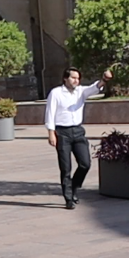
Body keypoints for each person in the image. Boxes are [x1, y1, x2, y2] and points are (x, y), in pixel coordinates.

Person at [45, 67, 113, 209]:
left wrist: (104, 79)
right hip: (62, 132)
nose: (76, 81)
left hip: (78, 131)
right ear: (65, 78)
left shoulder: (80, 91)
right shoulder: (56, 93)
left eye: (78, 78)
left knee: (85, 163)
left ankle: (74, 187)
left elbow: (94, 88)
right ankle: (68, 198)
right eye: (73, 78)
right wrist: (51, 132)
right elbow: (50, 113)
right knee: (66, 167)